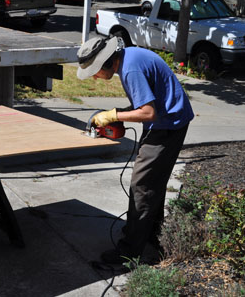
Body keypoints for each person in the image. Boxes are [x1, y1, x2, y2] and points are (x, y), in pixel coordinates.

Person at [77, 36, 194, 264]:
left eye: (95, 71)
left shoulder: (130, 70)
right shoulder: (129, 57)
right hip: (170, 120)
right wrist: (120, 111)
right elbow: (146, 102)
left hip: (167, 126)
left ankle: (129, 253)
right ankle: (150, 234)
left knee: (142, 184)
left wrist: (114, 115)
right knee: (154, 181)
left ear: (105, 62)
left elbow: (149, 113)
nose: (97, 77)